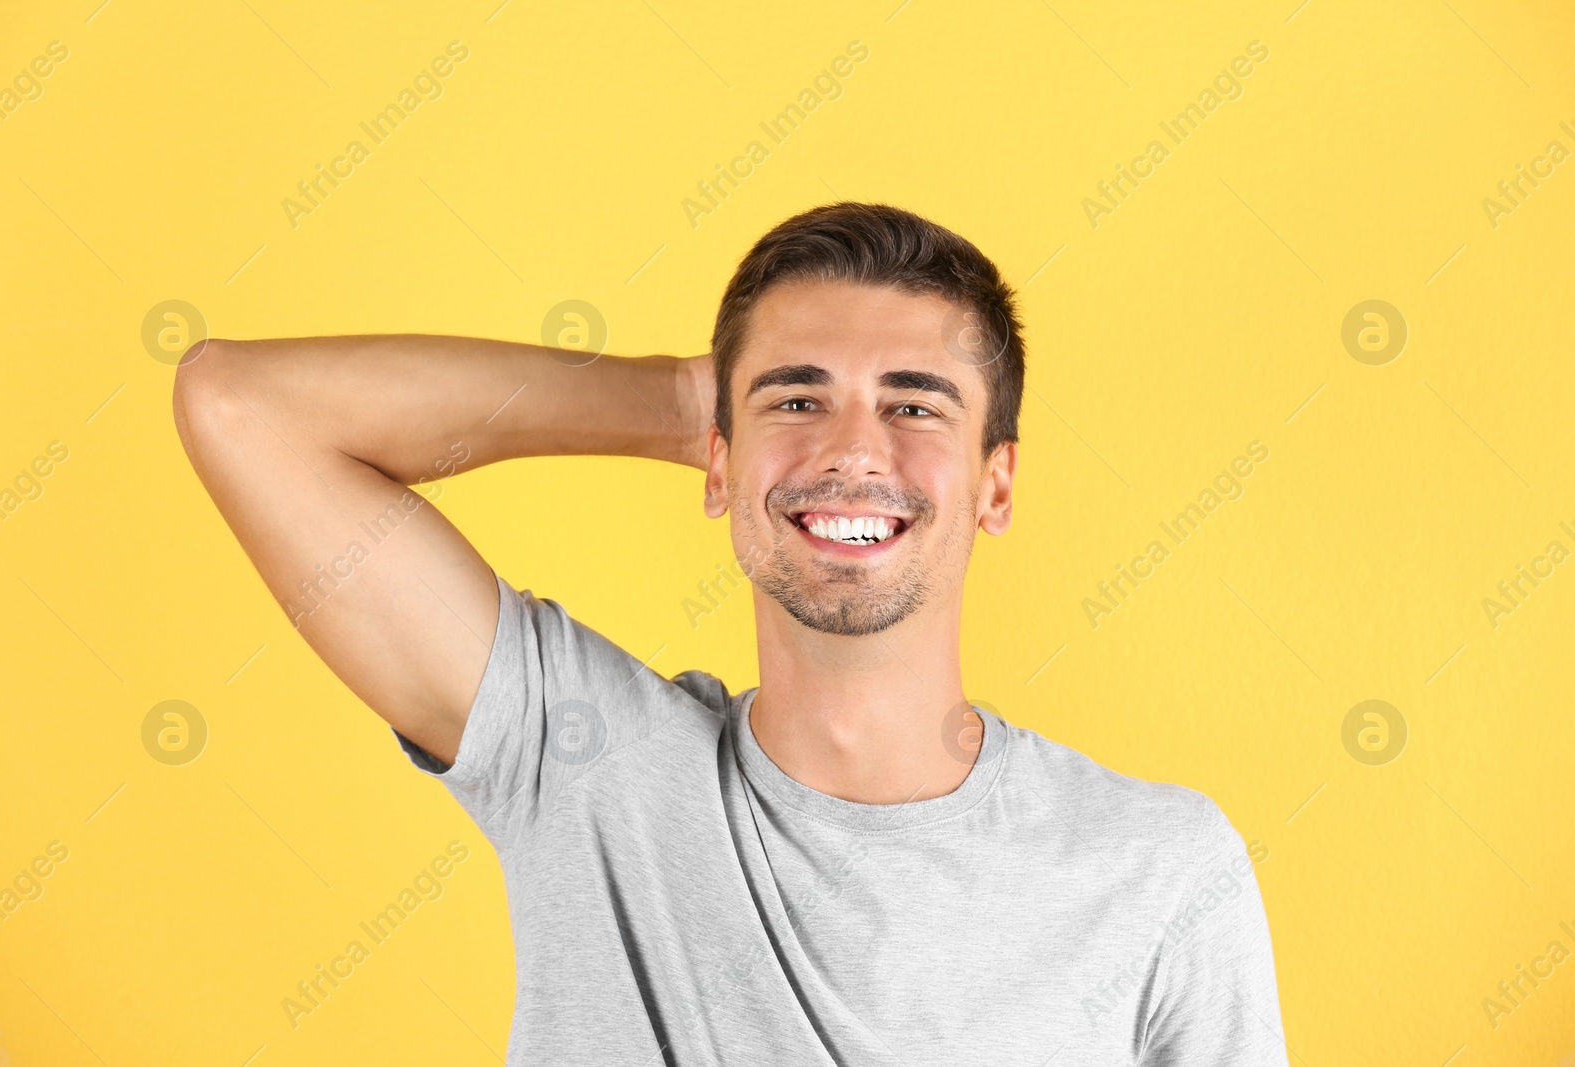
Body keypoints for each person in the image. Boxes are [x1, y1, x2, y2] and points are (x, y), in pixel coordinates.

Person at [172, 201, 1289, 1065]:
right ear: (718, 461)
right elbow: (242, 405)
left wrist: (757, 411)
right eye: (796, 399)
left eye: (914, 404)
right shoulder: (587, 764)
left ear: (997, 483)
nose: (853, 448)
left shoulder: (1159, 871)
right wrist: (670, 399)